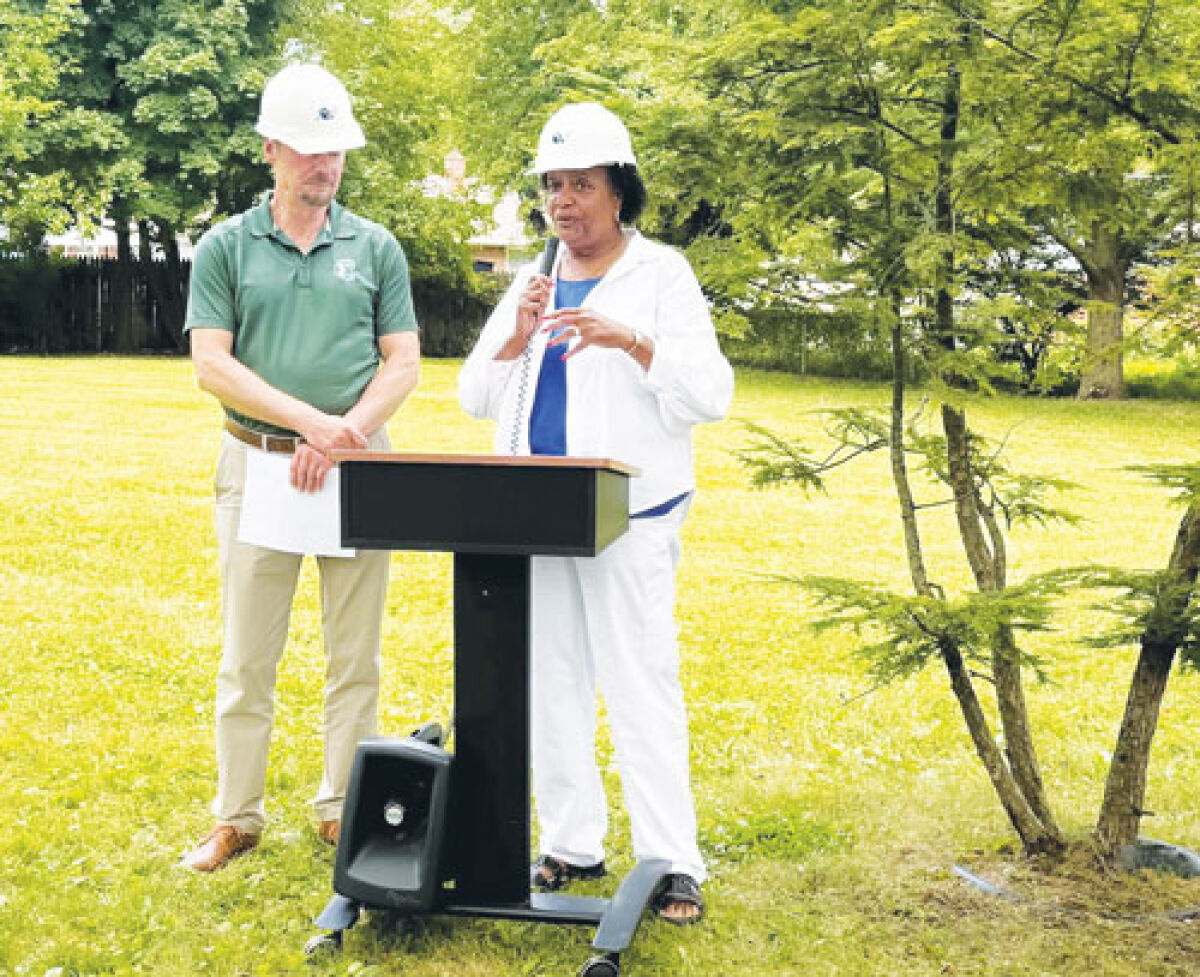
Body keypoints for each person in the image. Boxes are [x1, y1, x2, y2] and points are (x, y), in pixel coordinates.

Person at [457, 102, 733, 924]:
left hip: (628, 515)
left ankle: (673, 859)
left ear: (620, 192)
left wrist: (633, 342)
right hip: (537, 514)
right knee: (553, 680)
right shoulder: (532, 279)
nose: (564, 202)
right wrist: (515, 335)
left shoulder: (662, 275)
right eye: (552, 186)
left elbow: (712, 393)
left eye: (581, 184)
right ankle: (573, 840)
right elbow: (473, 395)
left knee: (638, 679)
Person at [180, 63, 420, 872]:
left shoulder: (376, 247)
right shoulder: (226, 247)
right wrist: (307, 422)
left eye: (337, 151)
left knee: (355, 654)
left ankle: (340, 807)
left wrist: (343, 431)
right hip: (258, 465)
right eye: (311, 151)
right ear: (271, 150)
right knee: (248, 654)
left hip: (357, 468)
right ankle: (236, 816)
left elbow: (404, 363)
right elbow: (213, 365)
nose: (327, 165)